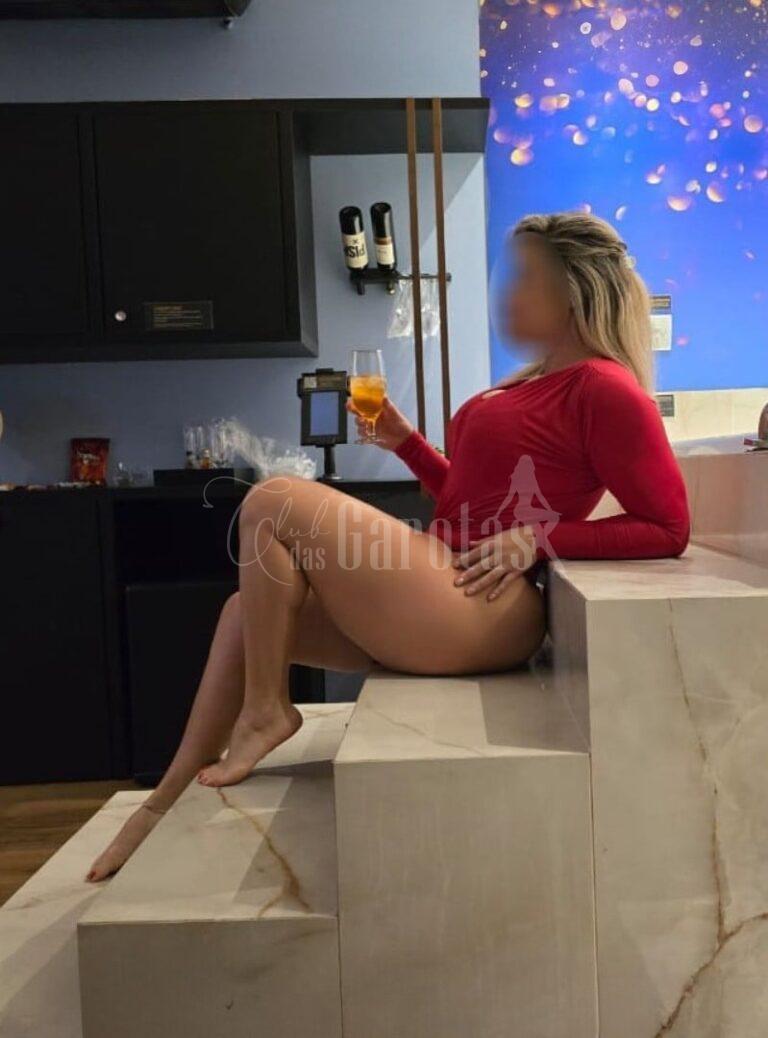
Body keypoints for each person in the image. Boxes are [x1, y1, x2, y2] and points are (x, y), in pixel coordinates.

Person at [86, 210, 690, 882]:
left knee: (272, 499)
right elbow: (468, 500)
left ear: (574, 291)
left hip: (485, 604)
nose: (505, 292)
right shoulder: (536, 378)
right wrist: (406, 443)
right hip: (447, 582)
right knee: (241, 614)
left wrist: (538, 538)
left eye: (524, 276)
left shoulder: (605, 388)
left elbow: (668, 526)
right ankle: (163, 800)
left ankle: (266, 711)